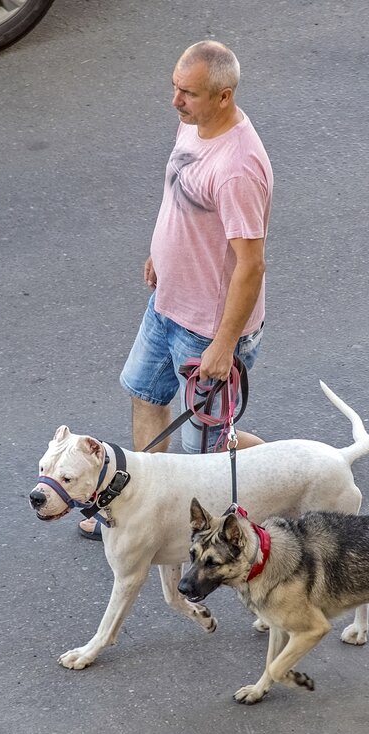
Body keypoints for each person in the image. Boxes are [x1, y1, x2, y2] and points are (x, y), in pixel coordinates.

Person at [81, 40, 274, 540]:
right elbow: (179, 196)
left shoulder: (237, 169)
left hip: (208, 328)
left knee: (206, 450)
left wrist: (224, 344)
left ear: (224, 96)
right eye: (174, 87)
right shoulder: (195, 124)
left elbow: (251, 266)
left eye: (186, 92)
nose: (175, 100)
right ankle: (142, 508)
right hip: (167, 304)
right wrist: (160, 252)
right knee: (146, 396)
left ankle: (296, 467)